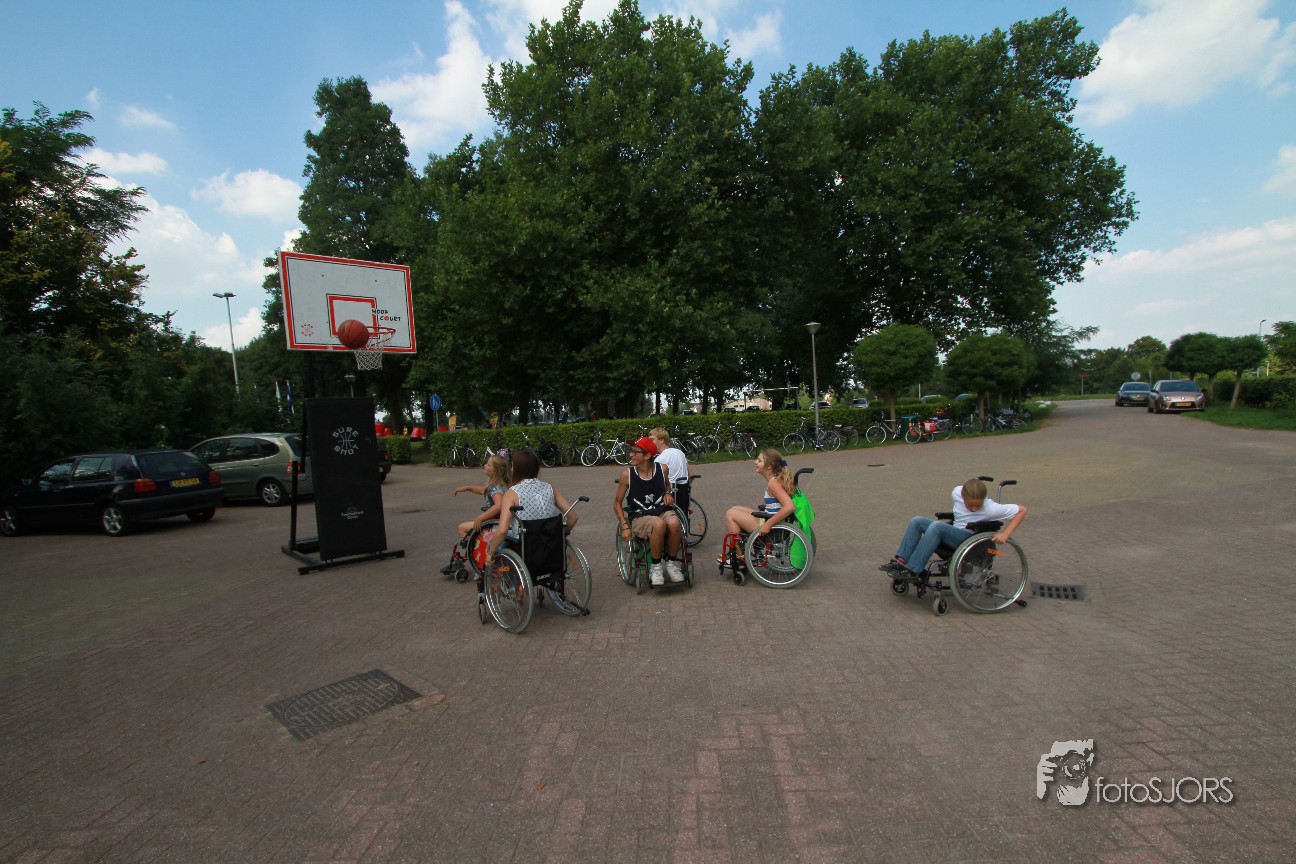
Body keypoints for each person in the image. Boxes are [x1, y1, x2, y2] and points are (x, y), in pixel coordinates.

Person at [880, 478, 1027, 579]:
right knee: (917, 521)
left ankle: (913, 569)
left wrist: (1005, 534)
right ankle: (901, 561)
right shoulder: (957, 492)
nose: (974, 508)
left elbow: (1022, 510)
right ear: (962, 497)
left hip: (967, 539)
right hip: (953, 534)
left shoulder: (991, 509)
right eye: (970, 505)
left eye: (978, 505)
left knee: (937, 527)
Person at [614, 436, 684, 586]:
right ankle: (656, 567)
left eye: (635, 452)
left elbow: (667, 486)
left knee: (674, 522)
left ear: (647, 456)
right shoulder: (627, 475)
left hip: (661, 510)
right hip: (640, 516)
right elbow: (617, 503)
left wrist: (667, 493)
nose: (631, 455)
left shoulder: (662, 469)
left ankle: (671, 563)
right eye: (631, 451)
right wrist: (624, 525)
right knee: (658, 524)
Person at [486, 449, 579, 557]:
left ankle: (495, 565)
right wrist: (562, 534)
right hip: (550, 539)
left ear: (516, 469)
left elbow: (502, 531)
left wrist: (491, 552)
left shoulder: (512, 493)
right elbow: (573, 517)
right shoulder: (550, 488)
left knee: (492, 542)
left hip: (527, 542)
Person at [440, 452, 511, 576]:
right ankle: (478, 553)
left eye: (488, 464)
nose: (485, 465)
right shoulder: (499, 485)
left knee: (462, 528)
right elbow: (484, 491)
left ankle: (478, 557)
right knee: (469, 527)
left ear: (496, 470)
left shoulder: (496, 488)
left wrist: (480, 518)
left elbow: (499, 505)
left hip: (493, 523)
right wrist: (467, 488)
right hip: (495, 521)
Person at [722, 448, 796, 557]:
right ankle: (740, 551)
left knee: (730, 514)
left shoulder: (773, 484)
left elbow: (789, 506)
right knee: (735, 508)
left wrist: (768, 525)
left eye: (759, 460)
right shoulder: (775, 480)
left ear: (769, 466)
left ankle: (739, 555)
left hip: (772, 527)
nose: (755, 462)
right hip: (770, 520)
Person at [649, 427, 690, 516]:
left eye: (652, 439)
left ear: (661, 440)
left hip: (669, 494)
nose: (650, 442)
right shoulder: (679, 452)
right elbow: (687, 471)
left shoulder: (660, 459)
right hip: (683, 490)